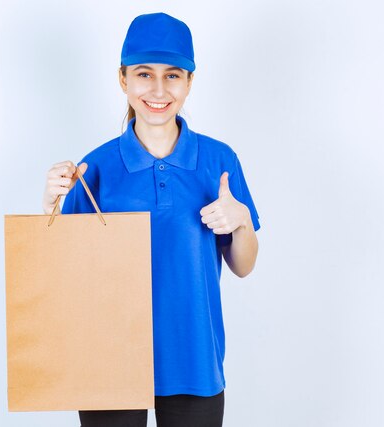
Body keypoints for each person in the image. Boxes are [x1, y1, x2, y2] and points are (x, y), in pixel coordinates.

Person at [42, 12, 260, 427]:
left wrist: (242, 221)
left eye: (173, 75)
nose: (158, 89)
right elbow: (63, 278)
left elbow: (243, 266)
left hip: (193, 359)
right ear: (123, 79)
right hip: (108, 361)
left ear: (190, 81)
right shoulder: (96, 167)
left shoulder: (218, 161)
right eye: (144, 74)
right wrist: (50, 206)